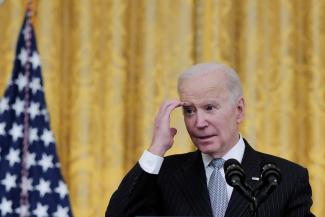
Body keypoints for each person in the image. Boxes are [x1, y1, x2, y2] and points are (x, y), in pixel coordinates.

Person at [105, 63, 314, 217]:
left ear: (239, 110)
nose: (199, 122)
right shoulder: (165, 175)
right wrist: (156, 149)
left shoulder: (284, 178)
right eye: (189, 111)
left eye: (210, 108)